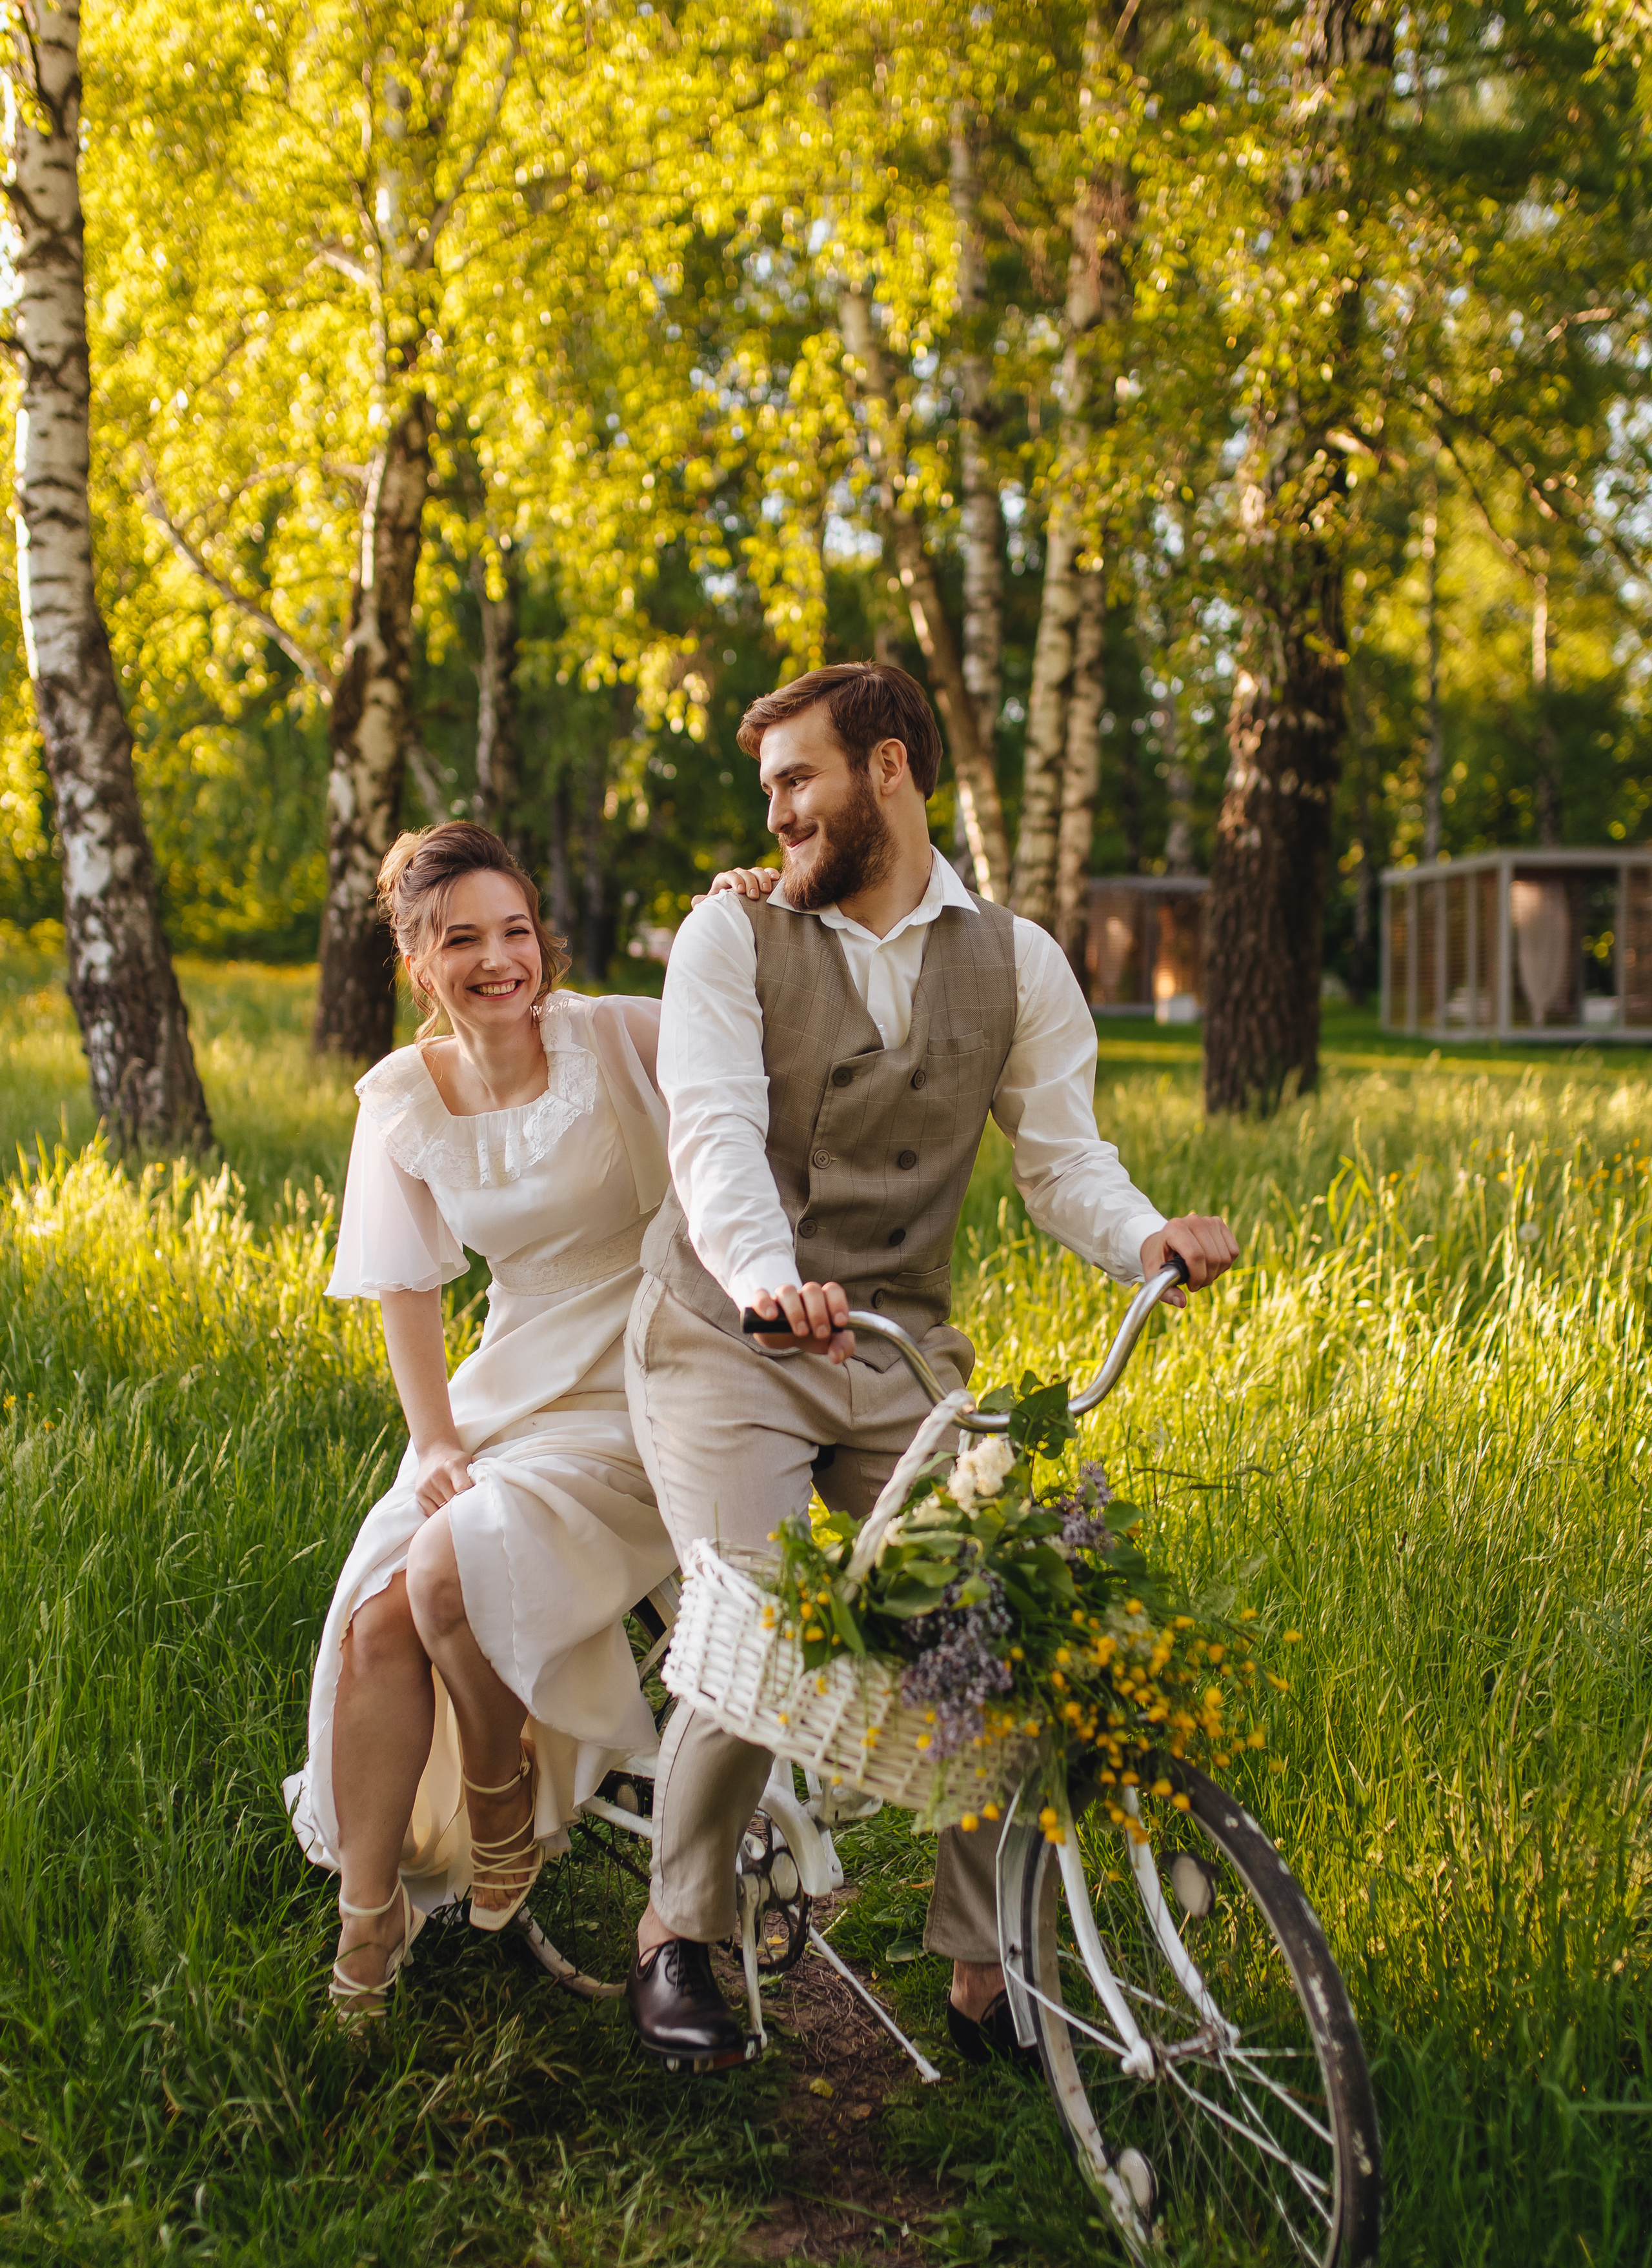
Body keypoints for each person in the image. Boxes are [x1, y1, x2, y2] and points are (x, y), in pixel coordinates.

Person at [623, 663, 1240, 2071]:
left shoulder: (1014, 958)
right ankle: (676, 1933)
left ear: (886, 770)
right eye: (766, 786)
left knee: (997, 1622)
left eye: (798, 779)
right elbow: (710, 1133)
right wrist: (767, 1280)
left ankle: (983, 1970)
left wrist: (1147, 1238)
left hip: (898, 1344)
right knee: (758, 1615)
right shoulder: (729, 944)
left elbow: (1060, 1155)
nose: (775, 811)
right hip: (728, 1338)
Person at [285, 820, 679, 2017]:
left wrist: (749, 905)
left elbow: (757, 1046)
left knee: (447, 1563)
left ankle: (503, 1807)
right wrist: (442, 1440)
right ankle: (368, 1928)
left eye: (516, 931)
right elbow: (410, 1290)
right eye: (463, 940)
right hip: (510, 1381)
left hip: (651, 1373)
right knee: (378, 1615)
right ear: (420, 963)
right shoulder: (403, 1099)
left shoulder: (620, 1034)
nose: (499, 959)